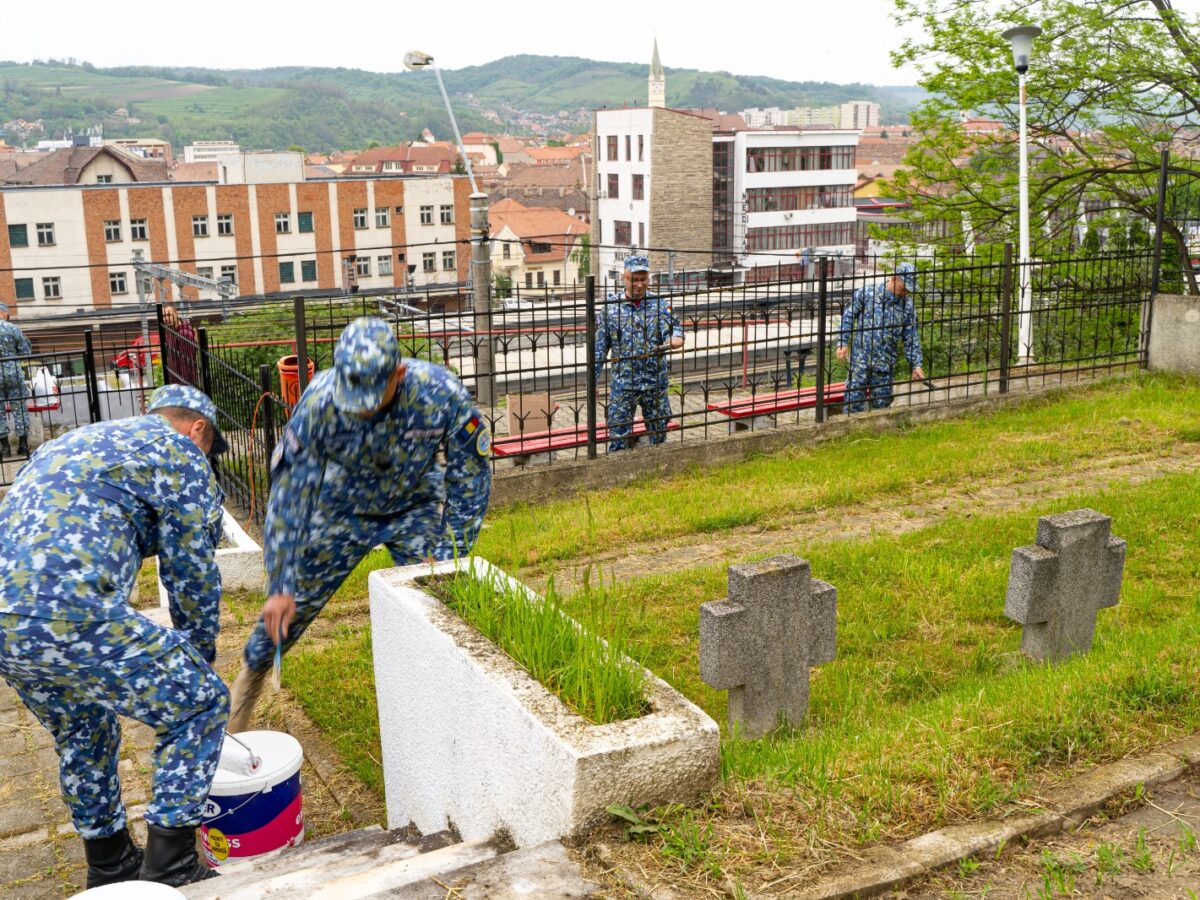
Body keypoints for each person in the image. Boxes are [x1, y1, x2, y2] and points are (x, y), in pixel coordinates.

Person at [0, 384, 229, 888]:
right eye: (210, 446)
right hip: (69, 613)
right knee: (200, 703)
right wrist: (199, 657)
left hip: (5, 622)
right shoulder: (180, 453)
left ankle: (110, 865)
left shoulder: (78, 441)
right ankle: (172, 868)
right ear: (197, 430)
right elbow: (191, 572)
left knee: (84, 727)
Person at [226, 317, 492, 733]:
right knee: (285, 611)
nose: (365, 407)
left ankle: (446, 705)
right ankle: (244, 697)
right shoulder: (319, 402)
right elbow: (291, 496)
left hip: (412, 506)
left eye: (374, 395)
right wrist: (280, 584)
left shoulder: (439, 393)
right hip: (340, 509)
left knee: (441, 605)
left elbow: (470, 477)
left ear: (399, 373)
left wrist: (451, 555)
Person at [594, 255, 684, 452]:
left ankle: (657, 472)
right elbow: (599, 349)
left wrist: (677, 338)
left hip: (655, 381)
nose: (640, 284)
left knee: (659, 433)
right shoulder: (610, 308)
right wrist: (593, 381)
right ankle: (617, 475)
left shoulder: (660, 304)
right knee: (618, 434)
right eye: (634, 279)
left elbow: (677, 327)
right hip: (624, 383)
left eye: (644, 279)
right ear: (624, 278)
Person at [836, 261, 925, 413]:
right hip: (860, 362)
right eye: (904, 287)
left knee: (882, 409)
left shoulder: (907, 306)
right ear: (894, 278)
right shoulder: (867, 293)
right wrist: (843, 342)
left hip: (885, 365)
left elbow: (911, 337)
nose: (906, 292)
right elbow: (848, 316)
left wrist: (916, 364)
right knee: (853, 405)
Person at [0, 301, 31, 460]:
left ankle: (4, 448)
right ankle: (23, 445)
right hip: (13, 373)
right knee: (19, 407)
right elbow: (25, 352)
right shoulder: (13, 329)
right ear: (4, 313)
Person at [162, 303, 200, 387]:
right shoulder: (172, 332)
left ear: (176, 314)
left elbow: (186, 363)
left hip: (184, 383)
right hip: (177, 381)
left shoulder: (183, 334)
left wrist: (183, 386)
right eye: (164, 316)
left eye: (168, 315)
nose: (166, 319)